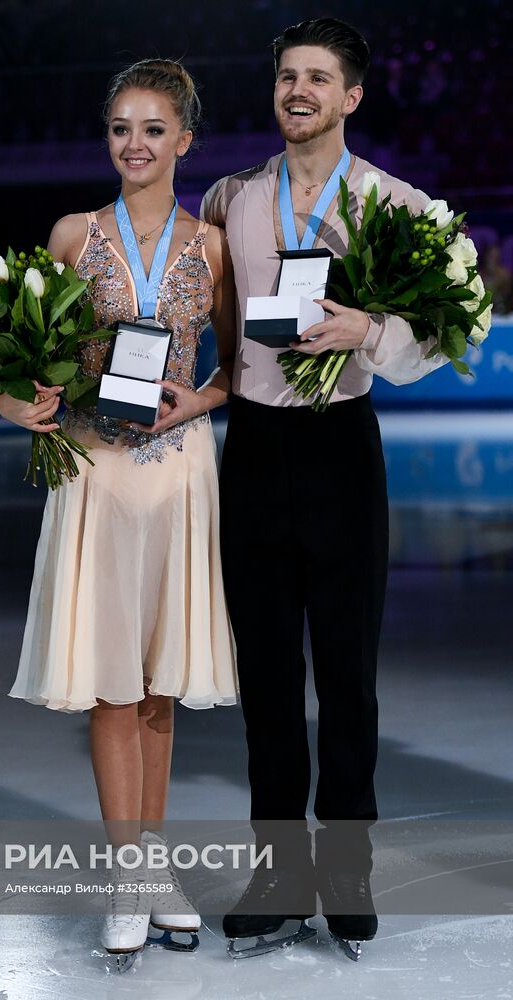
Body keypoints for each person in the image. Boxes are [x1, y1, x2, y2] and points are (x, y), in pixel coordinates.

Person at [201, 17, 447, 961]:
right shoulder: (233, 198)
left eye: (318, 78)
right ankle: (278, 870)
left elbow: (447, 324)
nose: (298, 90)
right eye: (286, 77)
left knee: (346, 675)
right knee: (266, 678)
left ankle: (345, 870)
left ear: (351, 97)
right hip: (255, 450)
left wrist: (373, 335)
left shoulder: (393, 202)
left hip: (343, 449)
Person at [0, 58, 239, 970]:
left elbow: (242, 369)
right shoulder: (70, 233)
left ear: (185, 141)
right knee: (110, 682)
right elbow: (26, 355)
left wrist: (198, 404)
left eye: (152, 130)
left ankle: (152, 875)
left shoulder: (210, 244)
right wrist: (17, 400)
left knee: (160, 681)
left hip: (177, 474)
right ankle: (127, 879)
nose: (133, 146)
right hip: (95, 473)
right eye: (119, 129)